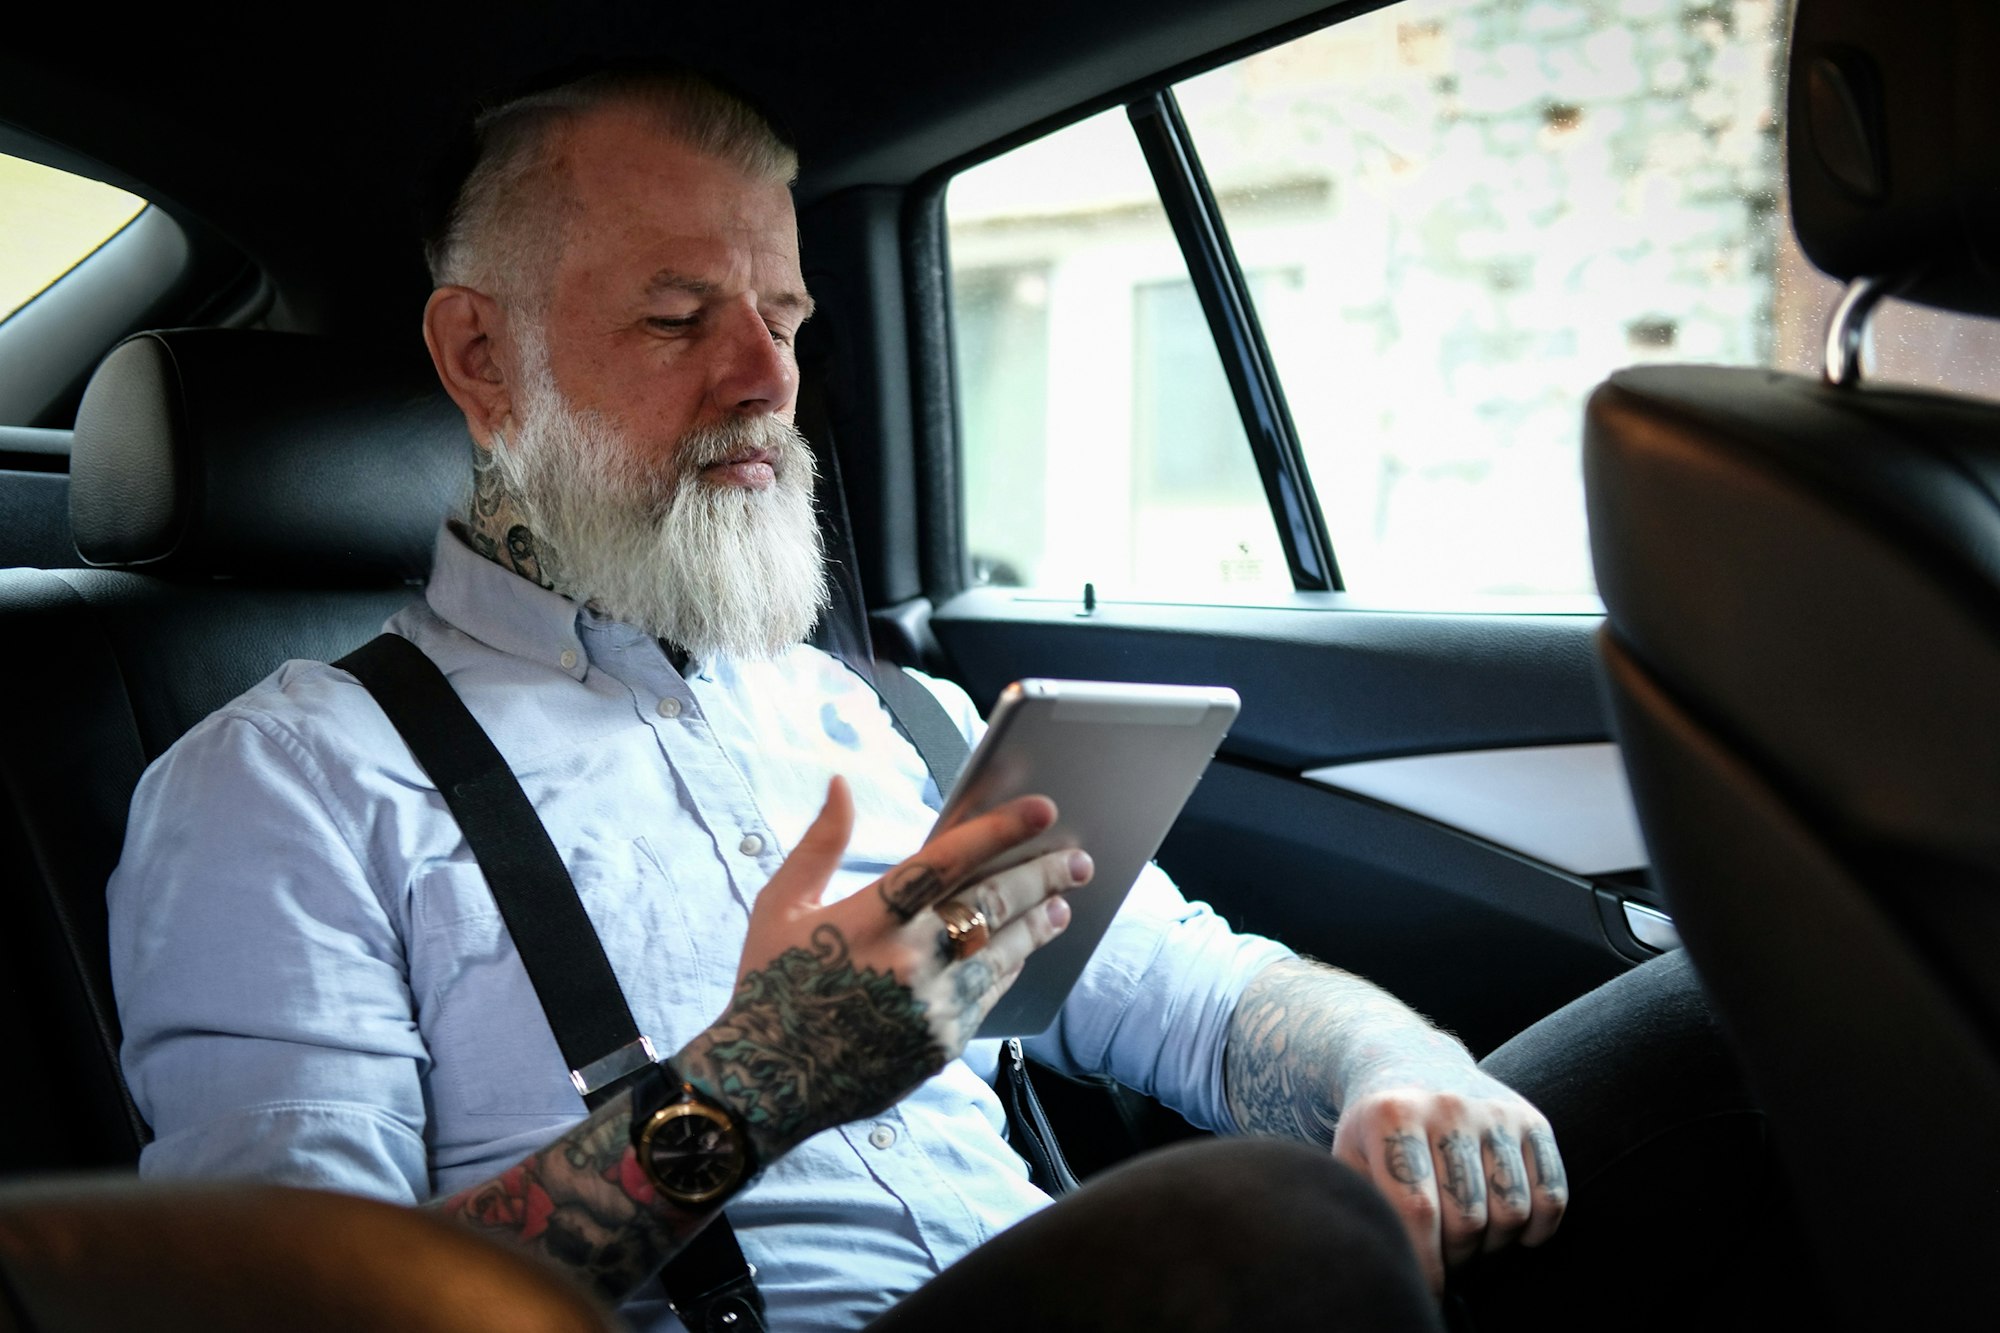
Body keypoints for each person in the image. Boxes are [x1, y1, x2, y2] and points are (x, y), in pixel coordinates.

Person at [106, 70, 1570, 1331]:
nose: (767, 375)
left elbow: (1197, 992)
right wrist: (751, 1085)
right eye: (681, 317)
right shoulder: (285, 784)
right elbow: (295, 1307)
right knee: (1286, 1234)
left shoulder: (898, 721)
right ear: (482, 359)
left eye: (784, 315)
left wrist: (1400, 1067)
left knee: (1702, 1056)